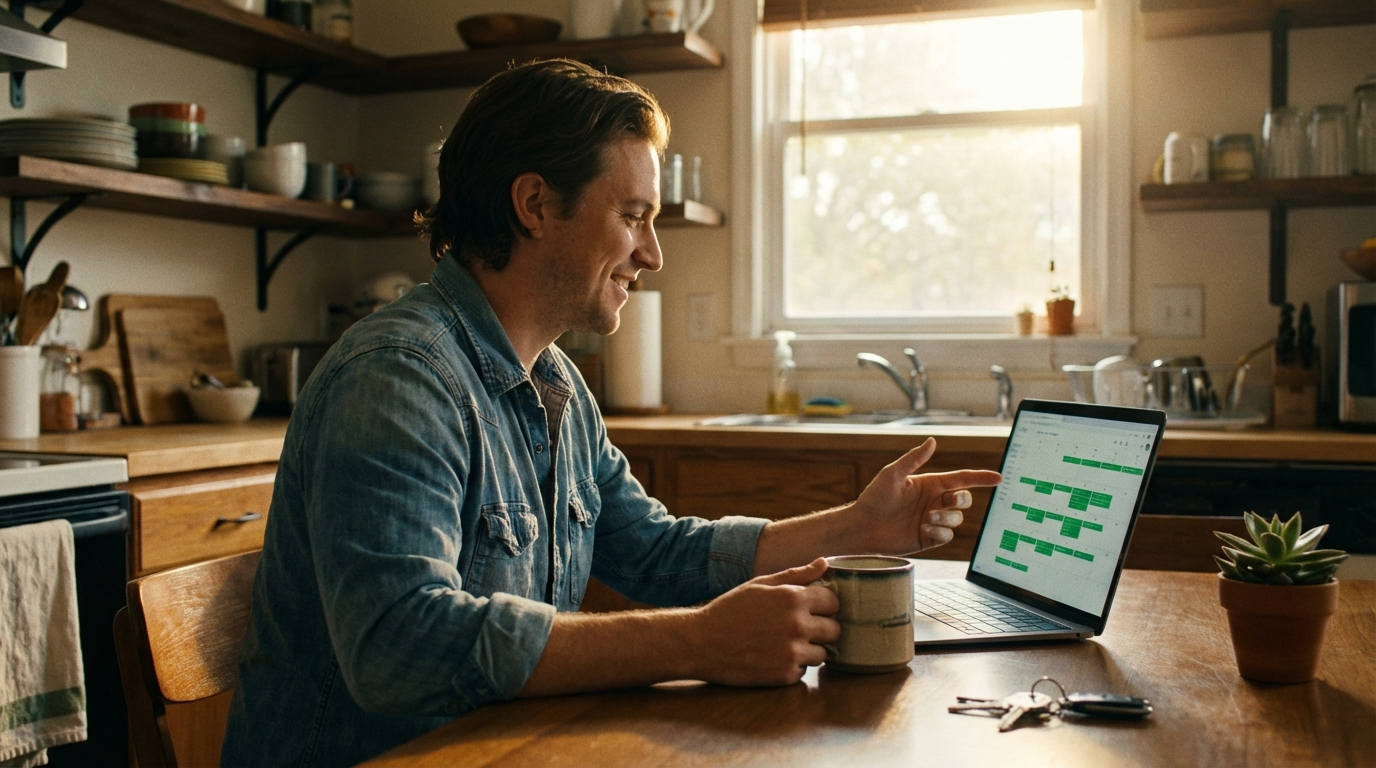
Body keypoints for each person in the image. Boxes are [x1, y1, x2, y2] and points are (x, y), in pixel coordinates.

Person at [220, 59, 1002, 767]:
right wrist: (696, 642)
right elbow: (400, 645)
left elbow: (655, 553)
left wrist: (854, 530)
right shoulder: (398, 379)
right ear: (534, 205)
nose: (653, 254)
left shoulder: (555, 379)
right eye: (632, 216)